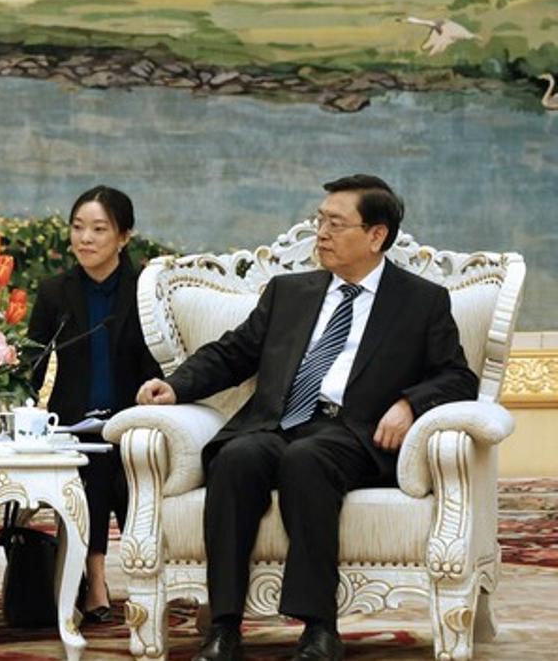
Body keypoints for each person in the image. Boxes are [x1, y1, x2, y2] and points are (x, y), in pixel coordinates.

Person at [136, 174, 479, 661]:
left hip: (353, 433)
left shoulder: (420, 301)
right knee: (237, 457)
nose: (321, 233)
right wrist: (176, 385)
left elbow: (457, 377)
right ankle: (224, 628)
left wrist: (408, 404)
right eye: (321, 220)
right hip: (279, 423)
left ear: (376, 235)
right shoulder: (288, 292)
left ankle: (319, 627)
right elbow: (234, 353)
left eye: (336, 224)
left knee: (308, 459)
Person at [27, 185, 164, 624]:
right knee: (93, 466)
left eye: (99, 229)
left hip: (134, 420)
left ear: (124, 236)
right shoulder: (54, 292)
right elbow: (32, 361)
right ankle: (97, 575)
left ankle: (104, 575)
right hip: (72, 424)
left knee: (114, 465)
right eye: (78, 227)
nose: (84, 239)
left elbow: (163, 363)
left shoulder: (146, 289)